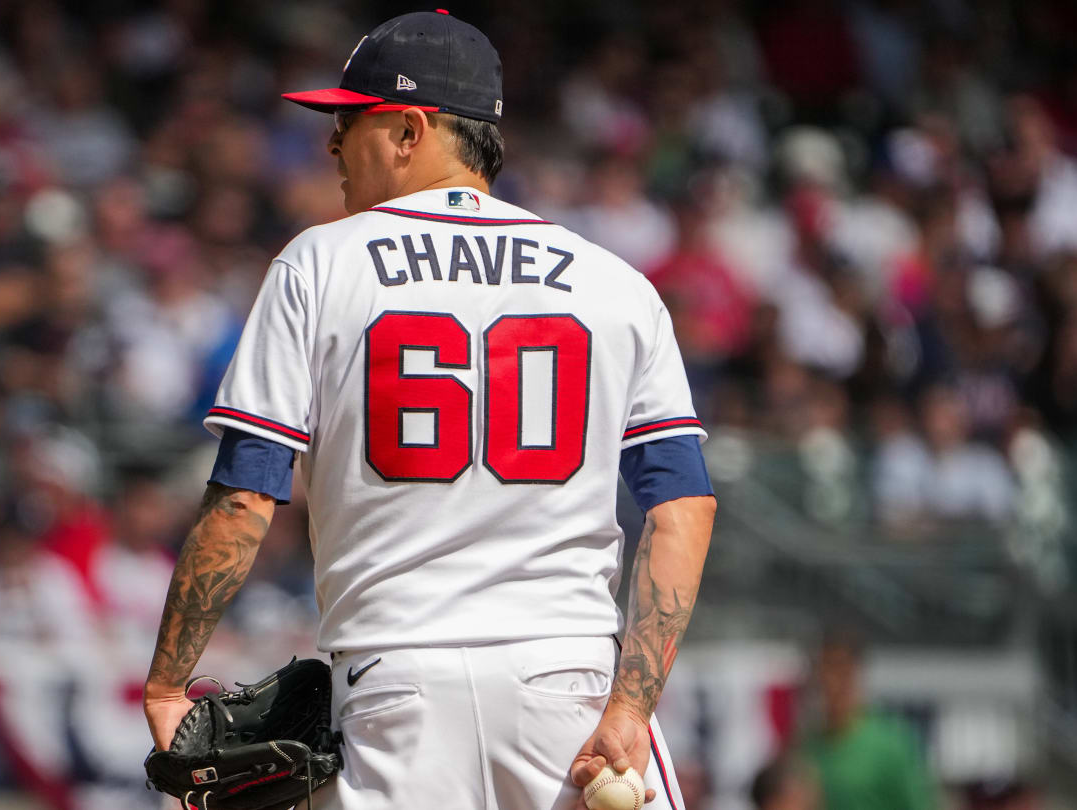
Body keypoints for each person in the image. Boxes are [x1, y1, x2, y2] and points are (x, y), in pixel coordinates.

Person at [142, 10, 717, 810]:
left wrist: (169, 682)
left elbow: (244, 499)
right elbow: (682, 508)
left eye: (351, 120)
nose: (335, 143)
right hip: (570, 693)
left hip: (393, 692)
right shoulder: (614, 283)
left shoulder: (318, 263)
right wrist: (629, 705)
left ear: (410, 130)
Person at [802, 630, 935, 810]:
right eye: (821, 667)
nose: (828, 679)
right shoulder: (808, 747)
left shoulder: (891, 743)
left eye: (837, 667)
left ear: (855, 671)